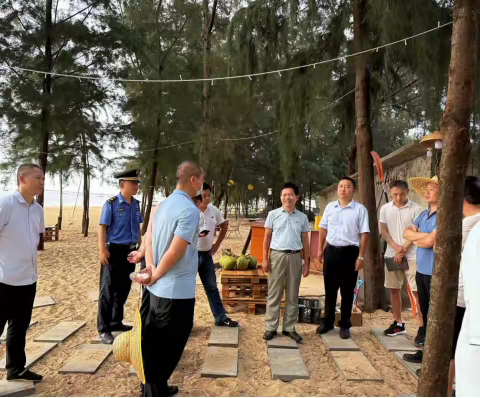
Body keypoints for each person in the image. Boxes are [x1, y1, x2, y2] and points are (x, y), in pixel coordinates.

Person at [134, 161, 204, 397]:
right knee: (167, 348)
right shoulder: (190, 210)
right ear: (194, 180)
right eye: (201, 180)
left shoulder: (163, 205)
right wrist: (157, 272)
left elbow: (150, 237)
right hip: (176, 292)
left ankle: (157, 387)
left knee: (155, 342)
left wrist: (151, 268)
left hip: (157, 288)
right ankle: (153, 390)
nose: (202, 186)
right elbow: (176, 250)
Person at [0, 163, 45, 382]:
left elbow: (33, 240)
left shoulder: (38, 209)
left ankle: (16, 368)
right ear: (22, 179)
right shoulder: (5, 204)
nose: (42, 182)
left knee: (19, 327)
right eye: (38, 177)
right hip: (4, 279)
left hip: (28, 279)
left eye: (43, 179)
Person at [316, 177, 369, 340]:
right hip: (331, 251)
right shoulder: (330, 207)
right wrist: (320, 249)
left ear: (353, 190)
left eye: (347, 187)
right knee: (329, 289)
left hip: (350, 253)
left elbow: (364, 234)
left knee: (347, 291)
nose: (343, 189)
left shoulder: (360, 210)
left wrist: (361, 256)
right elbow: (323, 228)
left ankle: (345, 325)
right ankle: (328, 322)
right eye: (340, 186)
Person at [97, 169, 143, 344]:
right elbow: (102, 227)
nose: (136, 186)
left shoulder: (136, 204)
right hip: (114, 250)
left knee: (123, 288)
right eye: (133, 183)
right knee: (107, 291)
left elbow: (138, 227)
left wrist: (140, 247)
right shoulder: (111, 204)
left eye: (137, 183)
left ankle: (116, 321)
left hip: (130, 251)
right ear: (122, 184)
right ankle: (103, 328)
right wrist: (102, 250)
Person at [262, 182, 310, 343]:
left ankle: (289, 327)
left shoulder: (302, 218)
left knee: (292, 294)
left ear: (296, 197)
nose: (287, 197)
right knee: (274, 293)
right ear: (280, 197)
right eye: (284, 195)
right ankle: (271, 327)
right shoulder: (273, 215)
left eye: (290, 195)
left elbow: (305, 241)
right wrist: (264, 258)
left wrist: (307, 262)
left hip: (295, 257)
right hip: (276, 256)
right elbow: (267, 237)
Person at [379, 180, 423, 341]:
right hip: (392, 254)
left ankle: (422, 327)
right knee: (393, 290)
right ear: (390, 193)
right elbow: (383, 230)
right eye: (395, 194)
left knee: (418, 292)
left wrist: (403, 249)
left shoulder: (417, 209)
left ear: (408, 192)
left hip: (412, 255)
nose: (398, 198)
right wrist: (395, 247)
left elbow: (416, 233)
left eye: (402, 194)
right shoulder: (385, 209)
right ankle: (398, 323)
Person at [449, 176, 480, 396]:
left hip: (462, 297)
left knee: (451, 348)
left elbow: (431, 241)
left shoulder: (470, 225)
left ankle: (447, 388)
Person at [402, 175, 438, 364]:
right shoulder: (423, 214)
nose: (427, 191)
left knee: (434, 314)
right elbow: (406, 232)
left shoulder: (444, 216)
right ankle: (424, 350)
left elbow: (432, 241)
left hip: (435, 272)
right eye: (427, 188)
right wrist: (423, 238)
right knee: (424, 312)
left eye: (432, 188)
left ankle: (433, 356)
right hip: (422, 269)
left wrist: (418, 238)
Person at [197, 183, 238, 327]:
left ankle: (220, 317)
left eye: (208, 195)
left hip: (207, 255)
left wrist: (216, 245)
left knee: (212, 287)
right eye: (204, 196)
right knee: (187, 289)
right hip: (190, 256)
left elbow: (224, 225)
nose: (207, 199)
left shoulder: (213, 210)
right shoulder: (190, 210)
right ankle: (184, 322)